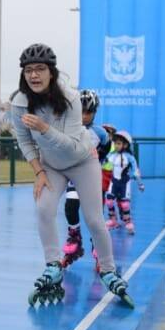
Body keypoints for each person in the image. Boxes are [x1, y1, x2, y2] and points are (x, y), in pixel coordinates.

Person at [9, 43, 132, 308]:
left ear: (51, 72)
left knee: (94, 219)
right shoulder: (20, 102)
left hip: (82, 160)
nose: (34, 75)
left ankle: (108, 270)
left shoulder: (70, 98)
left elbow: (74, 147)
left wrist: (43, 128)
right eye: (29, 70)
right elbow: (23, 140)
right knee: (44, 208)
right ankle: (53, 265)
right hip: (51, 165)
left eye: (40, 69)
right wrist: (39, 171)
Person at [60, 89, 111, 266]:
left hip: (93, 181)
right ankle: (75, 238)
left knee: (95, 217)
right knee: (70, 207)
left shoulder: (101, 133)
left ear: (94, 112)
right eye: (80, 111)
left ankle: (97, 246)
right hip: (75, 178)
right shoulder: (68, 129)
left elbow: (107, 146)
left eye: (88, 112)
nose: (84, 116)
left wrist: (98, 159)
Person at [105, 130, 144, 234]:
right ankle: (113, 220)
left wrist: (140, 183)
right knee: (109, 201)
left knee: (125, 205)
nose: (116, 146)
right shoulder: (112, 155)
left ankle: (128, 221)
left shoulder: (129, 157)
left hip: (124, 183)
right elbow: (101, 162)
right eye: (115, 143)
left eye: (118, 143)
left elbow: (136, 171)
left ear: (125, 145)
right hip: (114, 182)